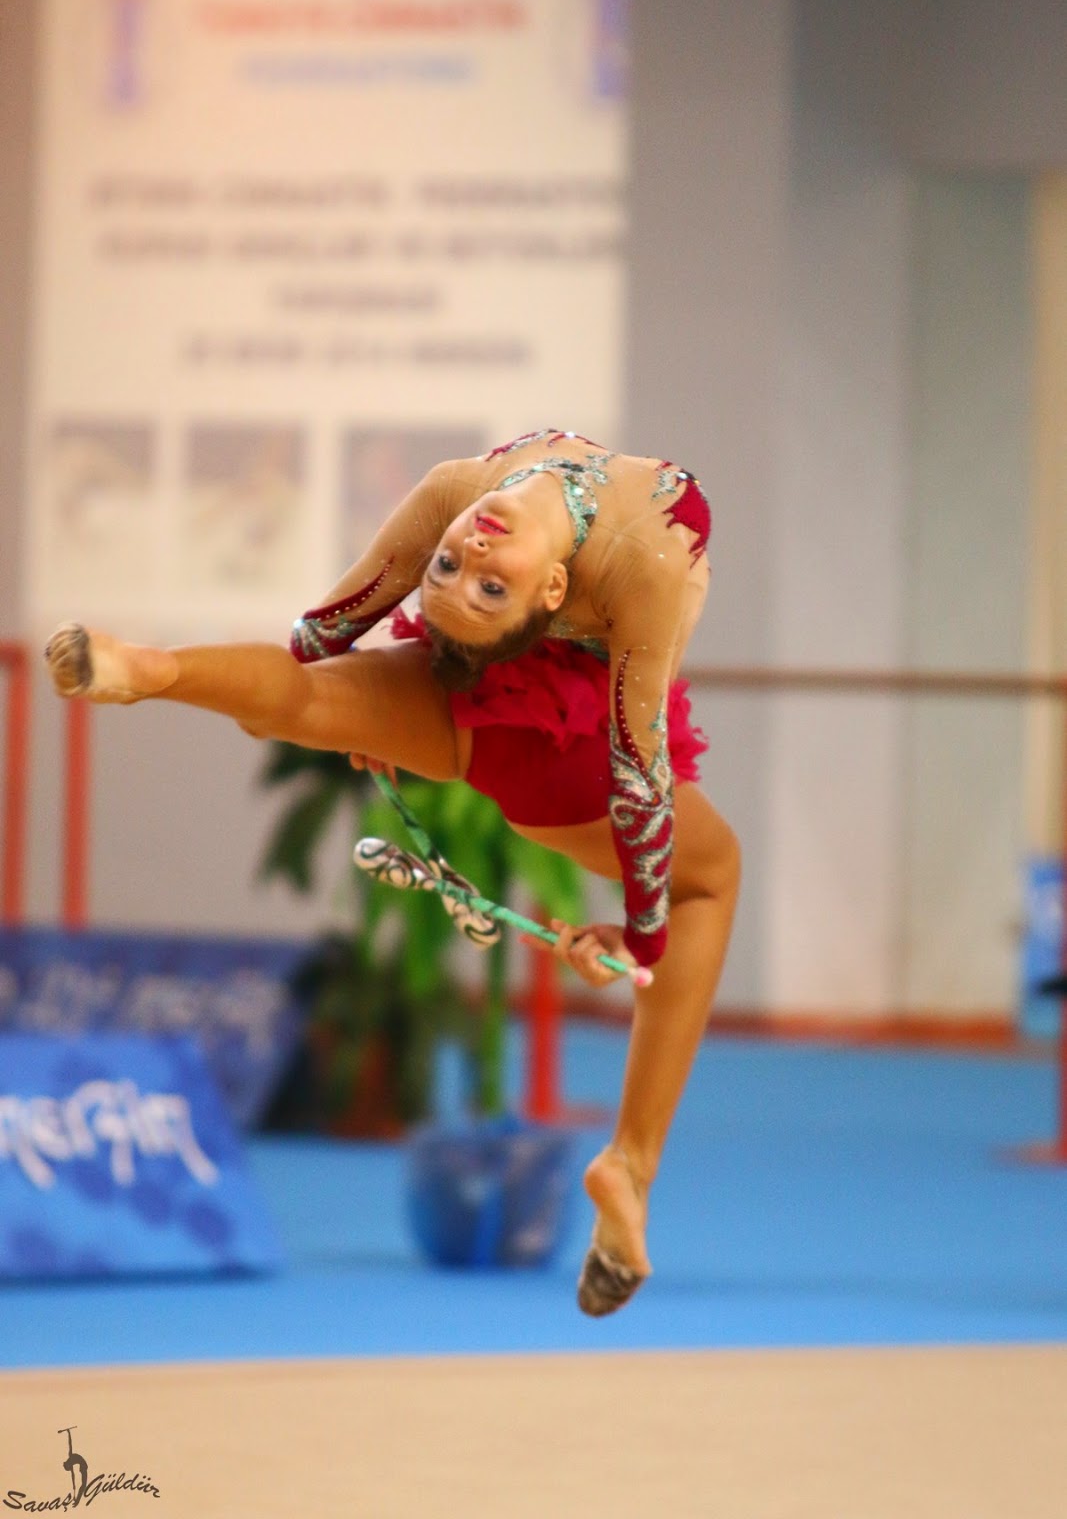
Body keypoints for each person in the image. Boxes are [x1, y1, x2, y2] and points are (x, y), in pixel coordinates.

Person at [45, 428, 741, 1316]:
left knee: (307, 702)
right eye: (462, 577)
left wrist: (350, 714)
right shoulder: (640, 551)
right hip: (559, 747)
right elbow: (636, 775)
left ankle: (160, 671)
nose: (468, 558)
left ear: (552, 594)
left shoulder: (462, 492)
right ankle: (630, 1164)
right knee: (709, 880)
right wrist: (643, 937)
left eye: (461, 575)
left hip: (500, 711)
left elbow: (313, 649)